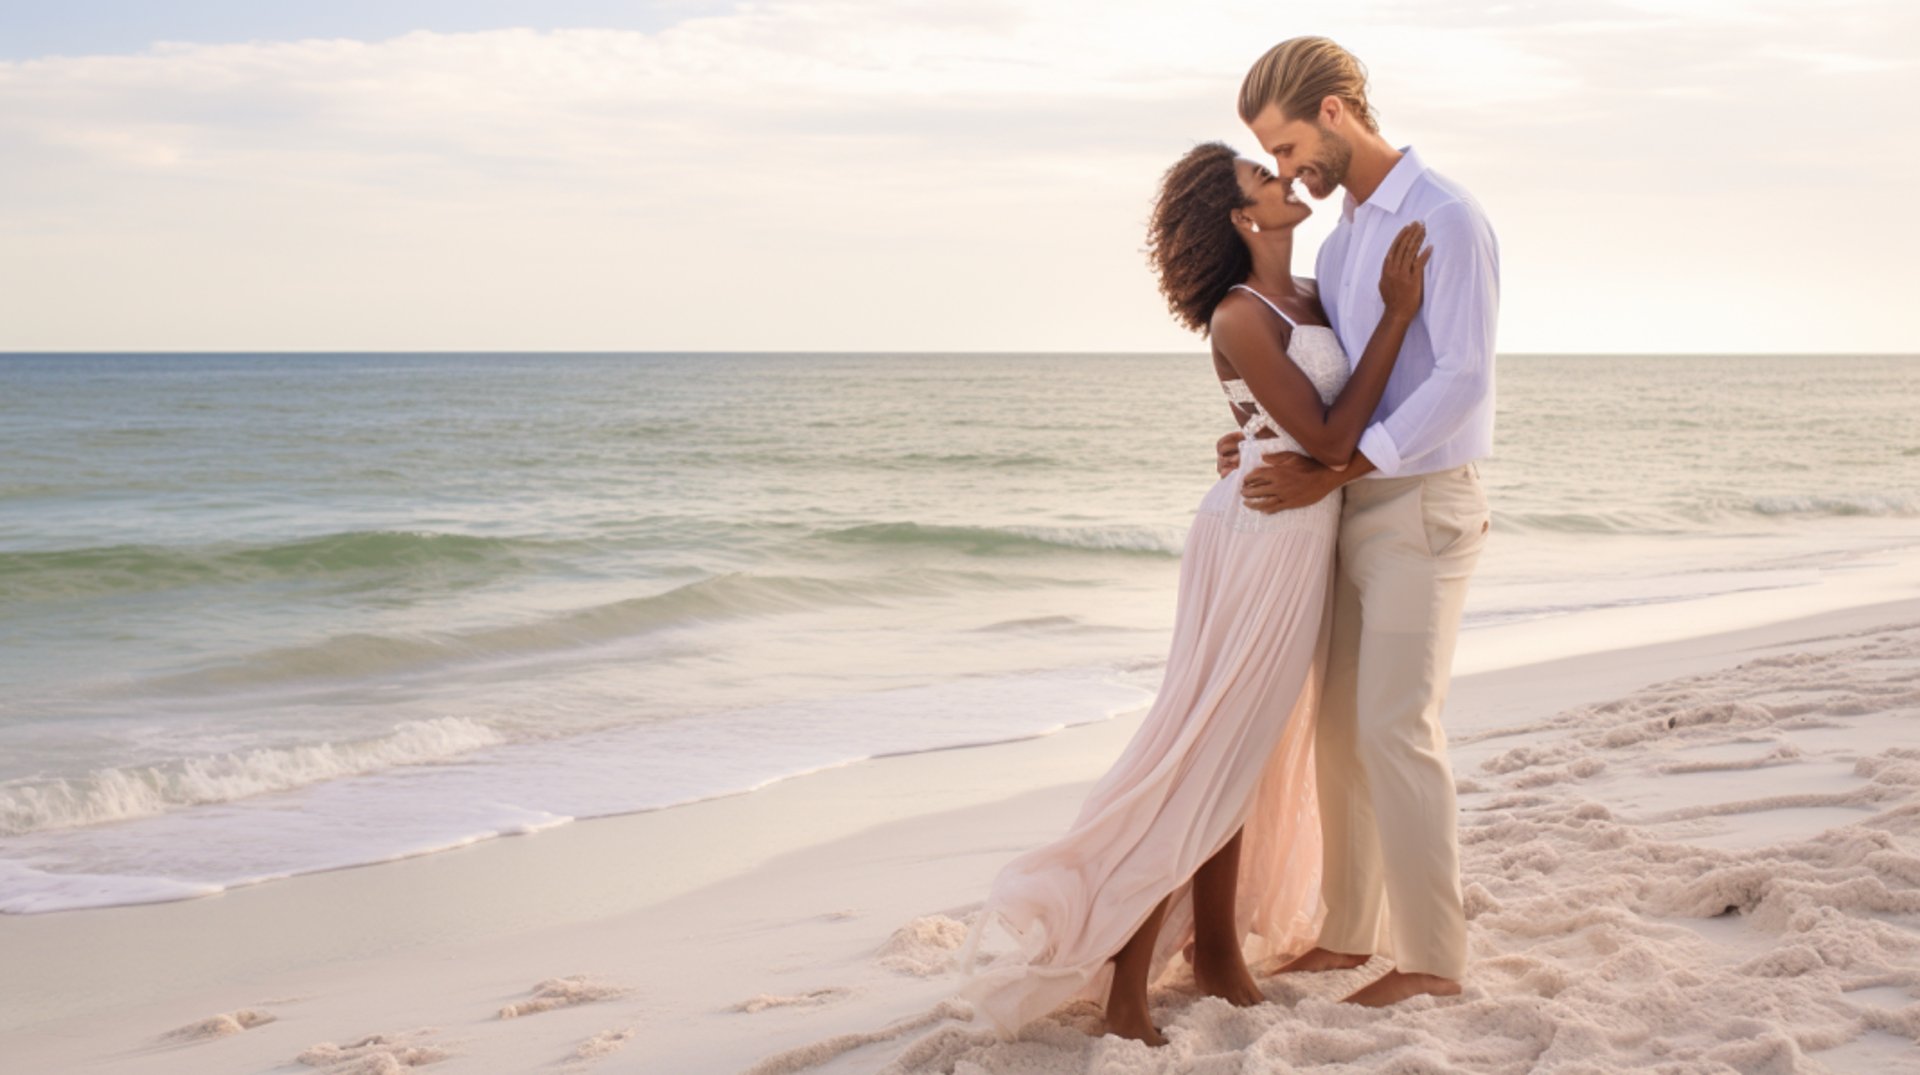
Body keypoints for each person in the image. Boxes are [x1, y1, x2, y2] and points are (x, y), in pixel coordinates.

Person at [952, 138, 1430, 1045]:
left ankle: (1215, 950)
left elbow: (1301, 416)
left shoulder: (1308, 296)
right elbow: (1330, 439)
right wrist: (1400, 317)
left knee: (1237, 756)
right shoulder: (1240, 316)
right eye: (1262, 175)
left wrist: (1251, 434)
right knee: (1205, 756)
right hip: (1257, 541)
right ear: (1244, 220)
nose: (1282, 176)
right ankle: (1126, 980)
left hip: (1289, 536)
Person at [1222, 35, 1499, 1007]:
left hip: (1422, 502)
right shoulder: (1341, 245)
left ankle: (1433, 961)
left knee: (1396, 726)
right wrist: (1264, 445)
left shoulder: (1446, 216)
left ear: (1334, 114)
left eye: (1290, 148)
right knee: (1339, 731)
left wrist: (1340, 461)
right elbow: (1333, 383)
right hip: (1345, 506)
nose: (1289, 170)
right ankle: (1348, 933)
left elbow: (1462, 378)